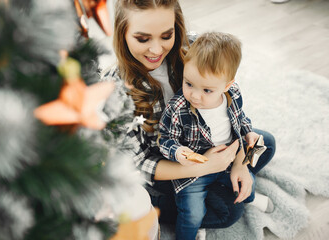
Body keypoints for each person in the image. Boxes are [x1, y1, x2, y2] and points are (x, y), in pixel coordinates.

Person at [102, 0, 276, 237]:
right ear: (122, 34)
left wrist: (240, 164)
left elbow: (226, 92)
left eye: (166, 35)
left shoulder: (193, 48)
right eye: (143, 39)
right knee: (229, 212)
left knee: (267, 143)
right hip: (167, 166)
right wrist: (207, 166)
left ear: (177, 26)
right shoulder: (113, 89)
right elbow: (140, 163)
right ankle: (176, 200)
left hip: (205, 142)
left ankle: (229, 179)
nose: (156, 50)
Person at [158, 32, 274, 239]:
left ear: (227, 86)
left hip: (228, 156)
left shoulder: (234, 93)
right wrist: (178, 152)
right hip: (193, 171)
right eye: (189, 84)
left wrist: (249, 134)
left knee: (263, 151)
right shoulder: (178, 108)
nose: (194, 95)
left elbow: (241, 119)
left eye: (207, 90)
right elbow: (165, 139)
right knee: (192, 213)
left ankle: (248, 197)